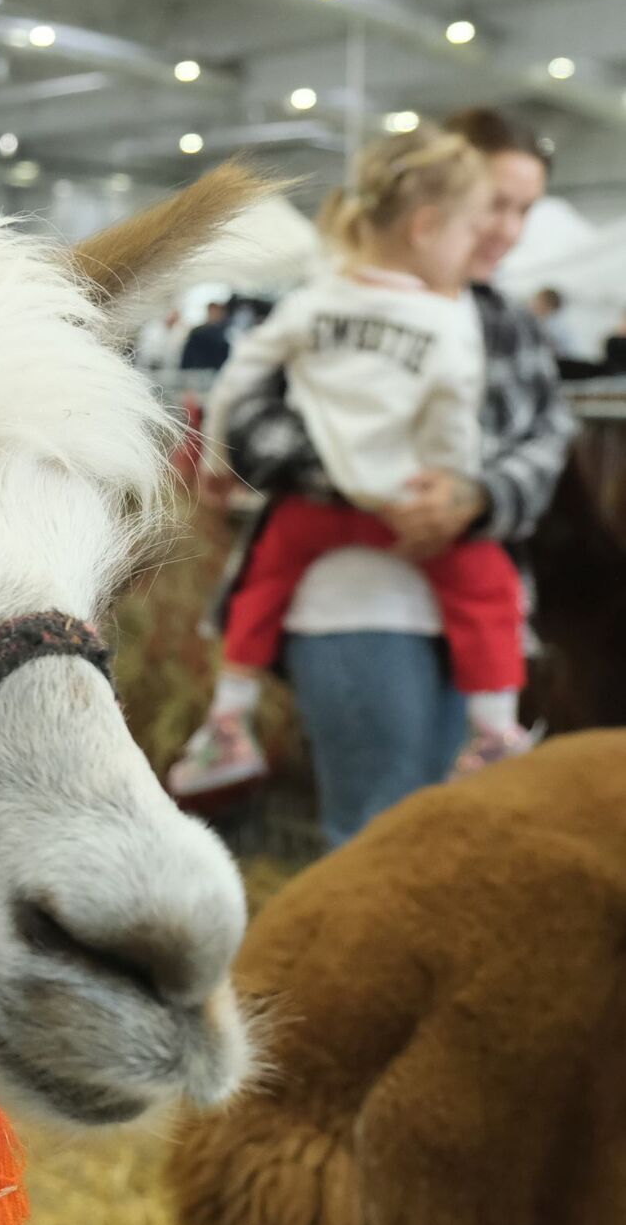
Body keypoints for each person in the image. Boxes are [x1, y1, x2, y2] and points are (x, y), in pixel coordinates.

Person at [178, 108, 574, 846]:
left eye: (523, 210)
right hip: (354, 598)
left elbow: (547, 437)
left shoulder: (507, 322)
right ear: (433, 206)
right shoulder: (341, 296)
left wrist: (476, 497)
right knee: (376, 826)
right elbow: (258, 418)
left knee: (448, 825)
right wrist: (369, 481)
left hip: (468, 599)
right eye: (494, 204)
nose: (507, 229)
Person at [181, 300, 232, 371]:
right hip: (198, 370)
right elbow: (188, 354)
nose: (215, 314)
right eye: (213, 311)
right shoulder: (198, 332)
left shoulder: (226, 331)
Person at [529, 287, 578, 359]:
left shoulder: (553, 327)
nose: (532, 306)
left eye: (536, 302)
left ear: (546, 304)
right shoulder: (555, 322)